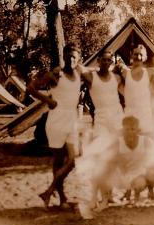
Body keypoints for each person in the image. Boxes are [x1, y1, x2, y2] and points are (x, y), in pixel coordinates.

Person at [27, 43, 85, 208]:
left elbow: (93, 70)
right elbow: (31, 88)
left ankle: (48, 192)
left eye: (74, 56)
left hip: (72, 119)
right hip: (56, 121)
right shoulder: (55, 75)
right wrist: (48, 100)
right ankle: (62, 199)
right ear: (64, 56)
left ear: (78, 58)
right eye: (68, 56)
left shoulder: (79, 72)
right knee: (58, 161)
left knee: (73, 160)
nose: (71, 59)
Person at [83, 51, 124, 136]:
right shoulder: (91, 77)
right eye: (103, 60)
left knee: (117, 146)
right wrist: (95, 68)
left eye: (108, 60)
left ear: (111, 62)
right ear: (98, 60)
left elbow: (127, 93)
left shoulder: (117, 78)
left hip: (117, 118)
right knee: (100, 146)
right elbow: (79, 69)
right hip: (101, 119)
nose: (106, 62)